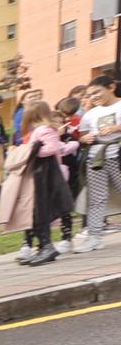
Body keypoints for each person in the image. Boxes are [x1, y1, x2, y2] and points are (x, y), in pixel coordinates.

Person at [16, 100, 78, 266]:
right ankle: (44, 245)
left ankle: (46, 246)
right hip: (40, 174)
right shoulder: (38, 130)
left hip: (45, 174)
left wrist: (31, 151)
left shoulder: (44, 129)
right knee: (37, 212)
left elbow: (51, 148)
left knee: (41, 211)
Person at [73, 74, 121, 251]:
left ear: (111, 87)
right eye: (90, 94)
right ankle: (94, 236)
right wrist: (84, 139)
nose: (93, 97)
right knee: (97, 198)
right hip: (96, 159)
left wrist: (116, 128)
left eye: (97, 92)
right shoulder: (90, 114)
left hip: (117, 156)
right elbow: (82, 136)